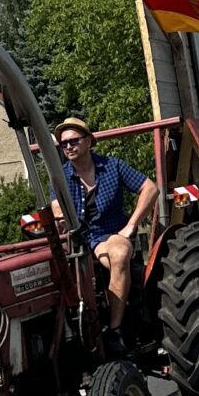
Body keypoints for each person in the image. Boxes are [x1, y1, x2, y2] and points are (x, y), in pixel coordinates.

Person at [55, 112, 158, 339]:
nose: (69, 147)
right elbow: (56, 207)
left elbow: (150, 189)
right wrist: (60, 218)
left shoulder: (113, 166)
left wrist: (131, 226)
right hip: (81, 239)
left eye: (74, 141)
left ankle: (115, 330)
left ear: (88, 141)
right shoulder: (60, 176)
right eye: (64, 144)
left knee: (119, 253)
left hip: (112, 234)